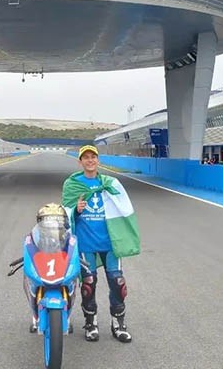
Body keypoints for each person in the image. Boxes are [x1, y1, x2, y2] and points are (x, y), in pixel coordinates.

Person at [61, 145, 140, 343]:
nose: (90, 160)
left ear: (98, 160)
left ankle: (118, 324)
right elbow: (64, 212)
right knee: (88, 283)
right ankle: (91, 322)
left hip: (110, 243)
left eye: (93, 157)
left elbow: (124, 207)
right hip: (86, 243)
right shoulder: (72, 184)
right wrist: (76, 210)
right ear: (80, 162)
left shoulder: (110, 183)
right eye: (85, 157)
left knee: (117, 283)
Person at [24, 203, 74, 333]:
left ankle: (68, 316)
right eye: (47, 221)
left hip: (60, 264)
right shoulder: (36, 238)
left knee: (75, 283)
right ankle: (35, 315)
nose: (52, 225)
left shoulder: (68, 238)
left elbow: (71, 249)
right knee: (28, 280)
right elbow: (31, 247)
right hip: (43, 264)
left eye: (57, 221)